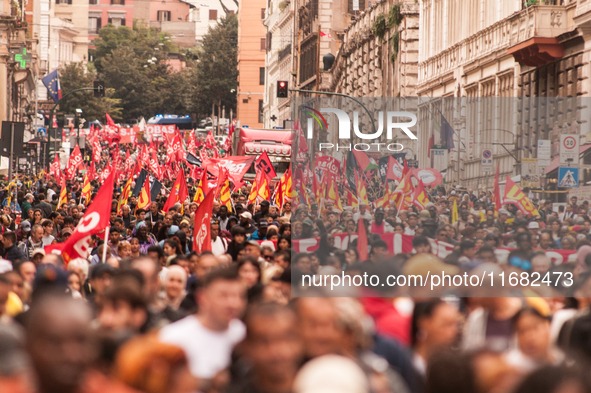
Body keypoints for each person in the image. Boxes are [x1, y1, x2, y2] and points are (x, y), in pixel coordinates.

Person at [159, 268, 246, 380]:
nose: (233, 303)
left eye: (239, 296)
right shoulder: (173, 339)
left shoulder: (245, 335)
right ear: (202, 297)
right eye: (224, 296)